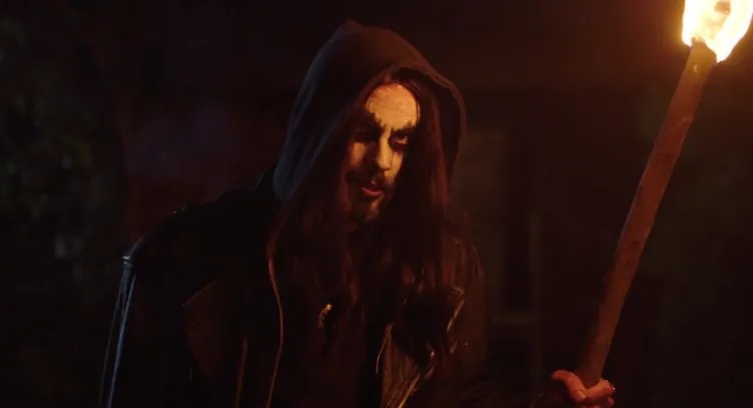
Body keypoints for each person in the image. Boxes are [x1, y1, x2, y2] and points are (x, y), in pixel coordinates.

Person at [98, 20, 615, 408]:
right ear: (319, 133)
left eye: (402, 141)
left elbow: (459, 400)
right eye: (364, 133)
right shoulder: (184, 263)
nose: (382, 162)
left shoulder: (440, 267)